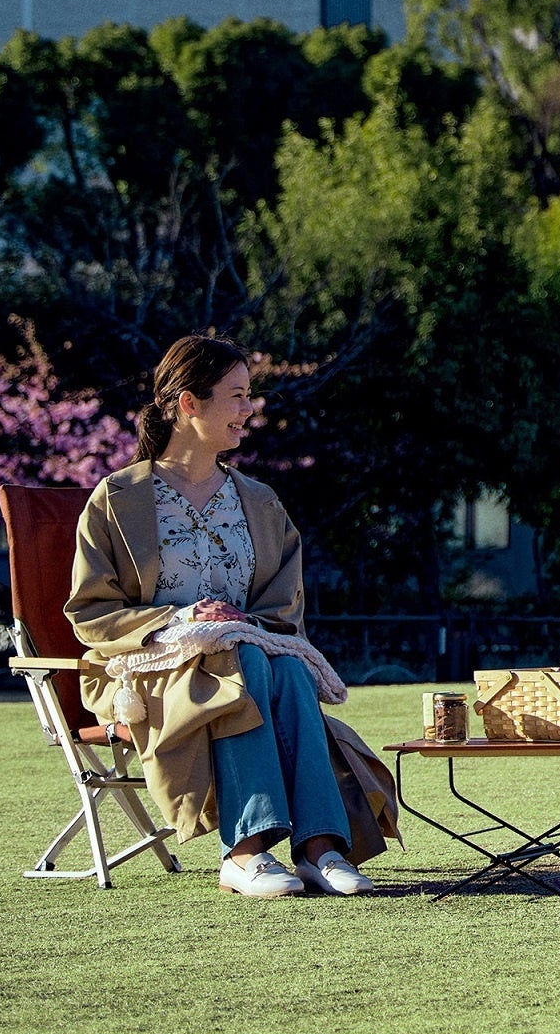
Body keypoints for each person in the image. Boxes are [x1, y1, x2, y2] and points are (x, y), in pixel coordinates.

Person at [66, 334, 396, 899]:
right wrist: (183, 617)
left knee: (284, 668)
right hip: (146, 668)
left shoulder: (260, 501)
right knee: (242, 663)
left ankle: (321, 848)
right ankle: (244, 852)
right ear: (189, 403)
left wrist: (240, 626)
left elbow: (282, 609)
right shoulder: (117, 498)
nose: (249, 409)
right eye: (237, 395)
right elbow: (91, 610)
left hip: (252, 656)